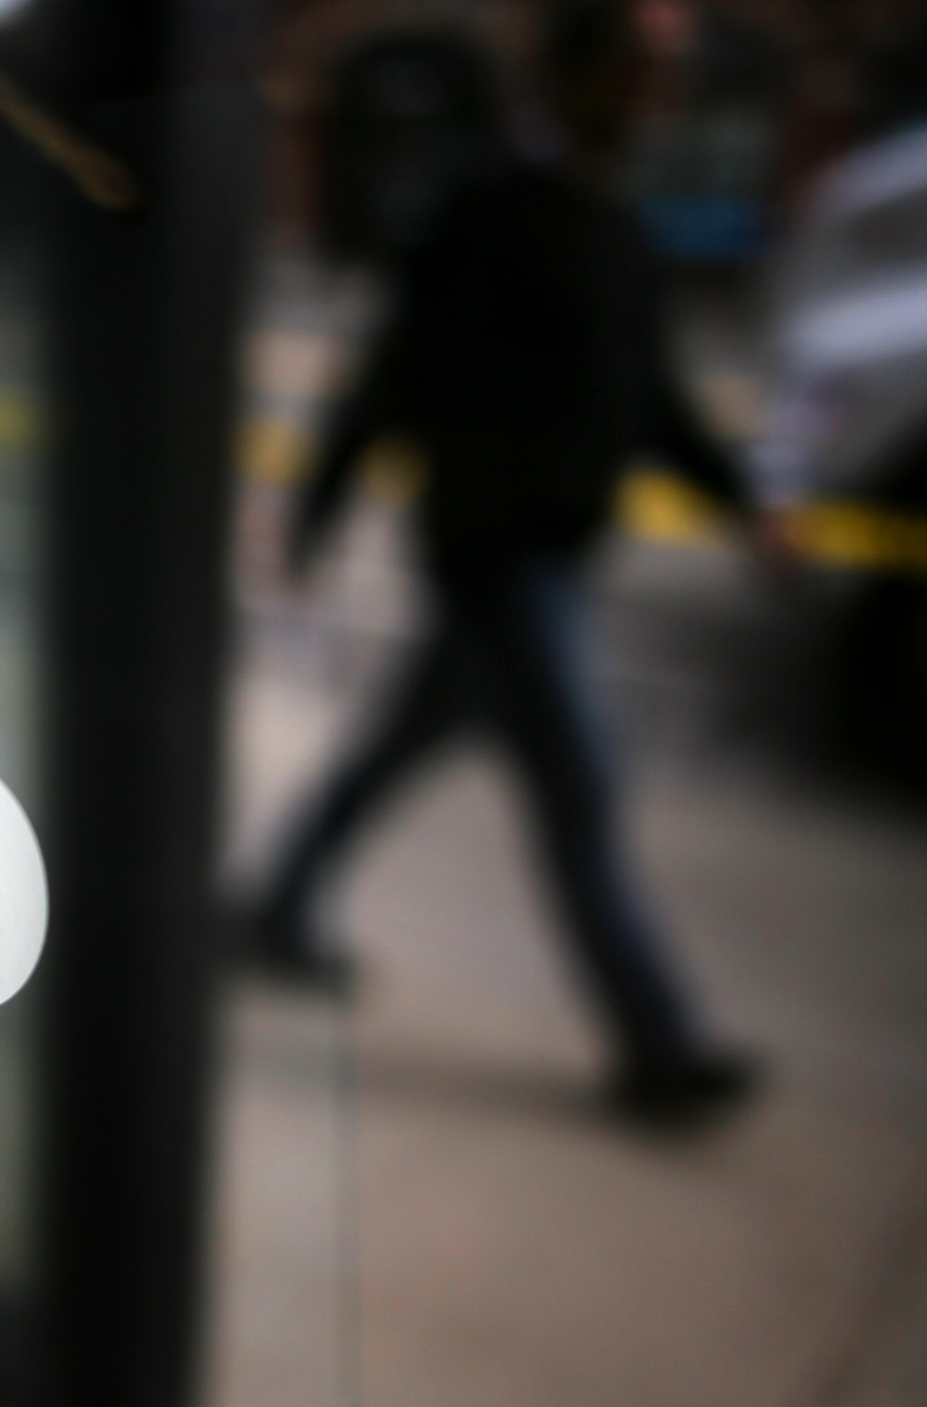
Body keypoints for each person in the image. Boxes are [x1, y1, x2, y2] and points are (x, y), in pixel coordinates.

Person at [254, 0, 779, 1126]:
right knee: (582, 796)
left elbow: (655, 402)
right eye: (643, 66)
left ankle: (271, 908)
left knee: (394, 750)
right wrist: (313, 515)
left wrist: (747, 507)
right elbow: (389, 375)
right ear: (581, 75)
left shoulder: (620, 226)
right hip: (499, 561)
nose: (663, 92)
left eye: (672, 72)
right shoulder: (487, 210)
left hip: (546, 559)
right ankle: (658, 1043)